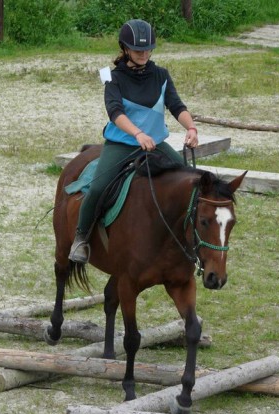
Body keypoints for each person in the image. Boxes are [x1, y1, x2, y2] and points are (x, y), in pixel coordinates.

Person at [69, 19, 199, 263]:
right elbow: (115, 112)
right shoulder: (112, 78)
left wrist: (190, 127)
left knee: (191, 180)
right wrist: (137, 134)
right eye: (138, 49)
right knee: (98, 187)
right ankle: (81, 237)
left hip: (155, 143)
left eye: (148, 49)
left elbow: (176, 105)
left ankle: (190, 236)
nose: (144, 53)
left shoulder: (161, 75)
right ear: (125, 48)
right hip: (122, 144)